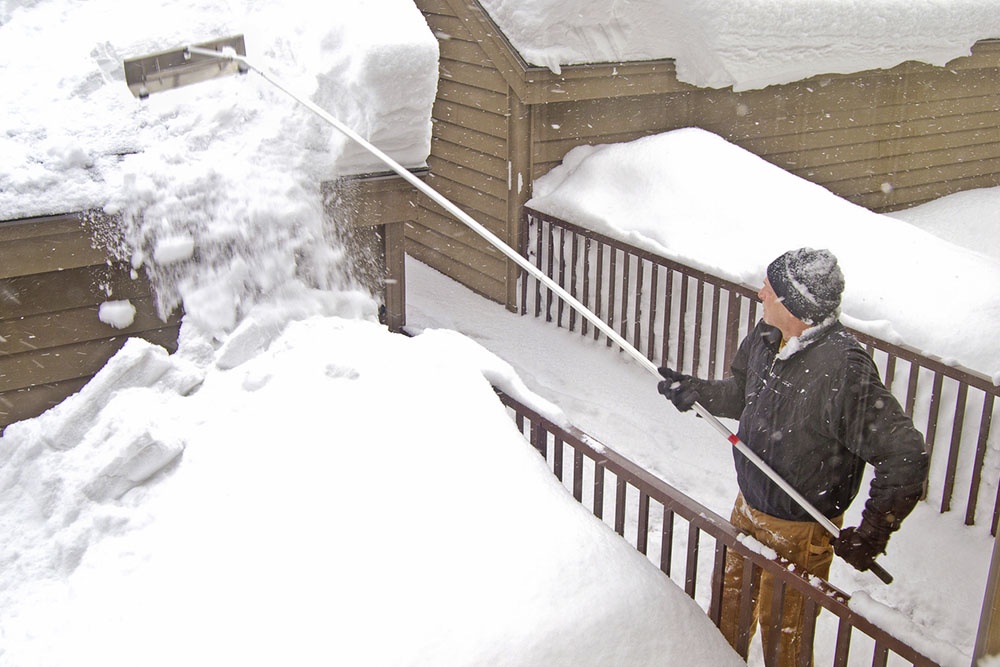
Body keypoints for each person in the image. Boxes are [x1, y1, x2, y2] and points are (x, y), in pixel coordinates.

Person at [657, 247, 929, 667]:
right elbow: (744, 394)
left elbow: (905, 455)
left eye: (771, 287)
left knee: (784, 643)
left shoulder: (843, 369)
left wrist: (872, 534)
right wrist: (698, 392)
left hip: (802, 534)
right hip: (747, 509)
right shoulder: (766, 337)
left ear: (796, 303)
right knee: (725, 619)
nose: (760, 292)